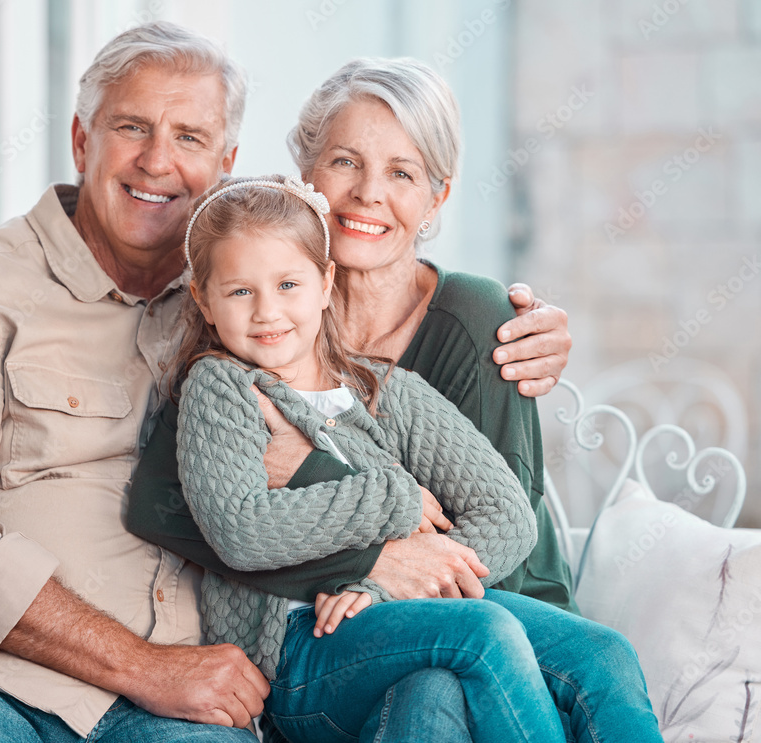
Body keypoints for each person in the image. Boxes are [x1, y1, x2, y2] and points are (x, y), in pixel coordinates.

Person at [0, 22, 574, 743]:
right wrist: (145, 664)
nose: (158, 161)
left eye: (189, 138)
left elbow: (374, 366)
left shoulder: (243, 299)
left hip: (183, 699)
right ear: (81, 140)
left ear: (226, 163)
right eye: (131, 128)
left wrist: (523, 325)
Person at [126, 59, 663, 742]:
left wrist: (378, 570)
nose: (369, 193)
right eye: (345, 161)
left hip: (487, 597)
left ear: (438, 197)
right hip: (320, 635)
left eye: (402, 173)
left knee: (597, 655)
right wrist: (390, 509)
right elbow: (184, 510)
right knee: (449, 667)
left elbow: (505, 518)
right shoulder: (235, 352)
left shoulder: (419, 363)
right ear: (306, 174)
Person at [169, 172, 575, 741]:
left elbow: (509, 517)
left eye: (288, 284)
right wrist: (395, 496)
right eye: (240, 291)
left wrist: (388, 583)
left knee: (601, 654)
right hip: (299, 639)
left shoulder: (386, 390)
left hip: (392, 615)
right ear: (204, 300)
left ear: (325, 280)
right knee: (484, 632)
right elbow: (240, 530)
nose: (266, 312)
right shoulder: (224, 386)